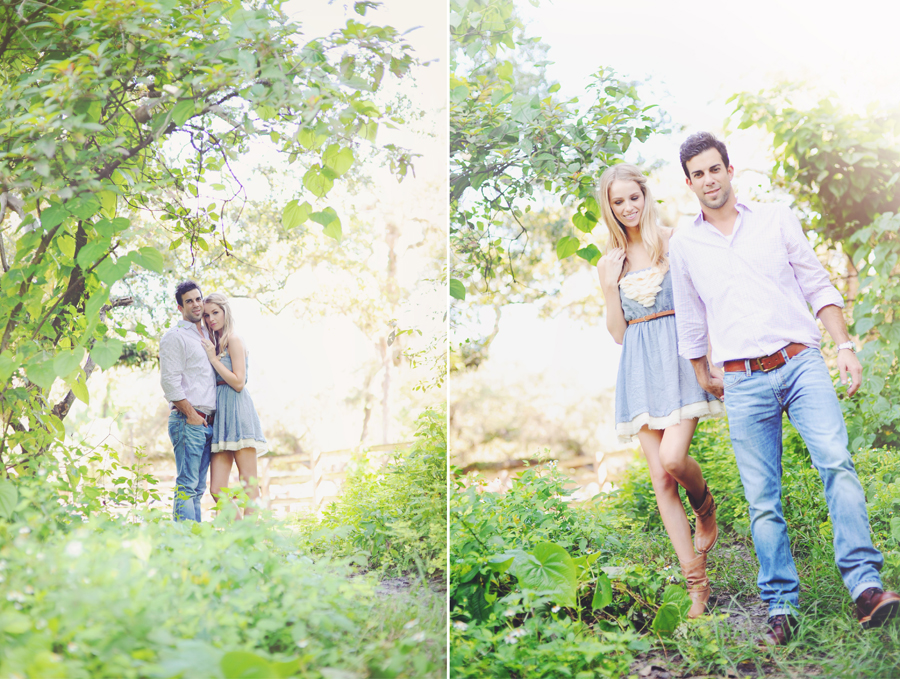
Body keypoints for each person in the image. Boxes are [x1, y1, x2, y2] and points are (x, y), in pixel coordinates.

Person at [670, 131, 900, 645]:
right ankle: (781, 608)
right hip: (743, 380)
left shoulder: (775, 219)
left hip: (800, 364)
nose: (709, 180)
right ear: (688, 183)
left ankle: (865, 588)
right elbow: (690, 319)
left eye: (715, 168)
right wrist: (704, 374)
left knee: (836, 463)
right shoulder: (684, 245)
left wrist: (843, 346)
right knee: (762, 499)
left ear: (731, 170)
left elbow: (817, 283)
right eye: (698, 174)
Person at [596, 163, 725, 618]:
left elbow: (703, 301)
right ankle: (697, 587)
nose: (628, 207)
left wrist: (710, 360)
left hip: (678, 361)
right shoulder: (609, 261)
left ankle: (705, 503)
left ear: (646, 196)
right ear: (608, 207)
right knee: (659, 479)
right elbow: (617, 333)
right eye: (618, 201)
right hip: (638, 369)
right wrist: (610, 287)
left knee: (674, 460)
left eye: (634, 197)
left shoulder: (676, 240)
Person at [200, 292, 267, 519]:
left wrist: (214, 360)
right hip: (221, 418)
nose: (210, 319)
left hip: (238, 412)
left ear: (225, 312)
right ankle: (241, 534)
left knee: (249, 484)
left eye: (215, 313)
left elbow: (239, 382)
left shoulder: (234, 340)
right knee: (217, 489)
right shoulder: (213, 344)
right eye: (207, 315)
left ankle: (250, 542)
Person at [159, 280, 216, 522]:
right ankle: (184, 549)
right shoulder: (175, 336)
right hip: (188, 421)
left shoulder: (207, 337)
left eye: (198, 299)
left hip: (207, 424)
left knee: (197, 489)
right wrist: (192, 415)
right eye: (189, 301)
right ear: (180, 308)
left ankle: (194, 548)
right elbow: (169, 381)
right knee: (187, 486)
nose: (195, 304)